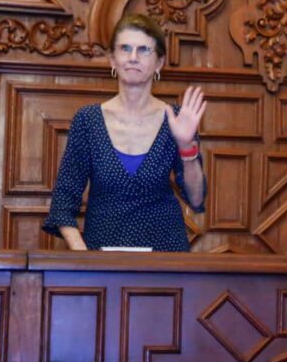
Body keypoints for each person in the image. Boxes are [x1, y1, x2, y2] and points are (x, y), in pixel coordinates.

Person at [42, 13, 206, 251]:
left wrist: (186, 147)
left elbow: (196, 198)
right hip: (101, 256)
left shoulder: (177, 119)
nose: (133, 57)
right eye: (125, 48)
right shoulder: (88, 120)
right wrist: (83, 256)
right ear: (112, 59)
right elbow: (63, 202)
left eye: (144, 50)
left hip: (166, 256)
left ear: (159, 63)